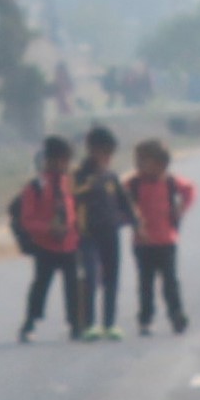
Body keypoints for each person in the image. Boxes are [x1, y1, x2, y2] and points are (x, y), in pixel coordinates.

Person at [10, 134, 86, 342]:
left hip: (69, 244)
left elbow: (74, 210)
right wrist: (47, 228)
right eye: (63, 160)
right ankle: (29, 324)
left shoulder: (68, 183)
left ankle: (76, 325)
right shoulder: (35, 187)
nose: (65, 165)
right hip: (46, 246)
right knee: (40, 286)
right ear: (51, 159)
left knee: (73, 286)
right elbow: (27, 219)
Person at [126, 136, 195, 334]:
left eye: (142, 160)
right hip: (143, 242)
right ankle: (145, 319)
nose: (138, 164)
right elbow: (121, 202)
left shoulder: (171, 182)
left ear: (160, 163)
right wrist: (133, 221)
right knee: (145, 283)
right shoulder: (133, 184)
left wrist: (181, 208)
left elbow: (190, 190)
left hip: (167, 240)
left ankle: (176, 315)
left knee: (170, 282)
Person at [73, 125, 129, 342]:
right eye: (103, 152)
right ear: (91, 150)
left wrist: (135, 222)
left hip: (111, 232)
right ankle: (89, 324)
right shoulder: (78, 175)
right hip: (87, 234)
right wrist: (91, 182)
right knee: (90, 277)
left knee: (111, 278)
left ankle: (110, 323)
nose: (106, 158)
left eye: (109, 154)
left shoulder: (111, 176)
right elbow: (72, 195)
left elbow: (124, 201)